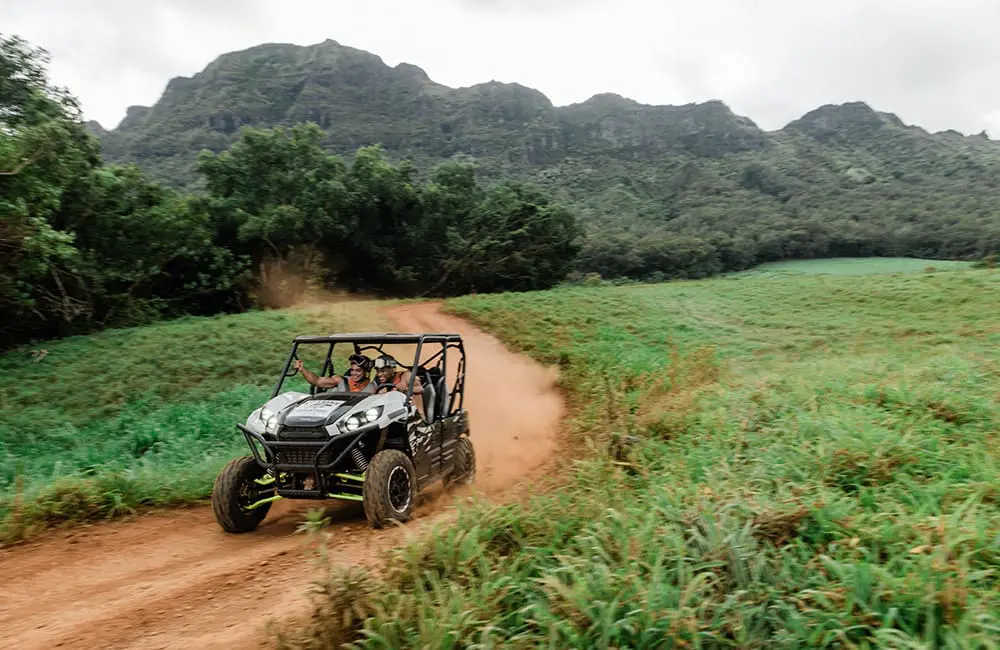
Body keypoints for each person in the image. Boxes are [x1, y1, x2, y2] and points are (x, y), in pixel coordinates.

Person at [372, 354, 426, 419]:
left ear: (393, 369)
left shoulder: (405, 376)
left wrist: (405, 389)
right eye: (377, 371)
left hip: (410, 415)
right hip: (391, 416)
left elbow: (420, 389)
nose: (379, 374)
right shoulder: (379, 383)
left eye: (383, 371)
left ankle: (420, 419)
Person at [293, 353, 374, 393]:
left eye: (358, 370)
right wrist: (302, 370)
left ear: (366, 371)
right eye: (352, 370)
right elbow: (317, 380)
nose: (354, 373)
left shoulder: (372, 387)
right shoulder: (341, 380)